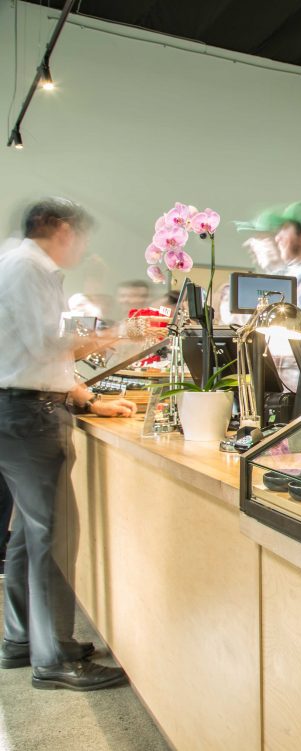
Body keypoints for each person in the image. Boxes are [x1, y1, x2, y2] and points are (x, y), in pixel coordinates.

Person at [0, 197, 136, 691]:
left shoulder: (19, 264)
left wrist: (86, 397)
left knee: (28, 532)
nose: (81, 245)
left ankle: (22, 638)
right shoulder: (29, 268)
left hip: (21, 410)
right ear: (58, 228)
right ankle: (54, 655)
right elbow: (49, 343)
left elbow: (34, 352)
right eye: (78, 234)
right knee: (51, 535)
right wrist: (116, 333)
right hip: (30, 417)